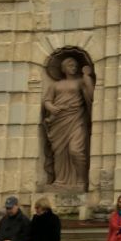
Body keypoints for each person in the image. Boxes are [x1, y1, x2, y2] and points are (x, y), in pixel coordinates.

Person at [43, 56, 94, 189]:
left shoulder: (80, 81)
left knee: (75, 150)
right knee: (59, 152)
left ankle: (82, 179)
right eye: (70, 66)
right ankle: (60, 180)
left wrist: (87, 77)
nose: (74, 68)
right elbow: (47, 101)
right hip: (58, 120)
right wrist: (51, 108)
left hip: (76, 118)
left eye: (75, 66)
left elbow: (90, 95)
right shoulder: (55, 85)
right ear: (63, 68)